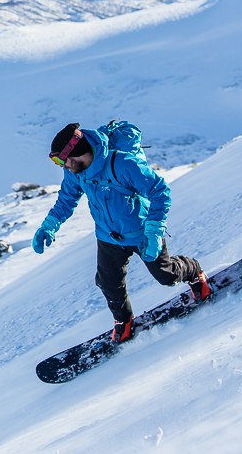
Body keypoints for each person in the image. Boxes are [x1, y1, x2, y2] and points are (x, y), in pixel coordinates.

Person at [32, 122, 211, 343]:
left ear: (76, 151)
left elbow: (160, 191)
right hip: (108, 236)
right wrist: (49, 225)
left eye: (61, 160)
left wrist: (154, 231)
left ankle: (194, 272)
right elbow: (66, 200)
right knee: (108, 283)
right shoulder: (76, 172)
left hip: (141, 232)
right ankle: (123, 321)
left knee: (167, 275)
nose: (62, 166)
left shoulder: (122, 164)